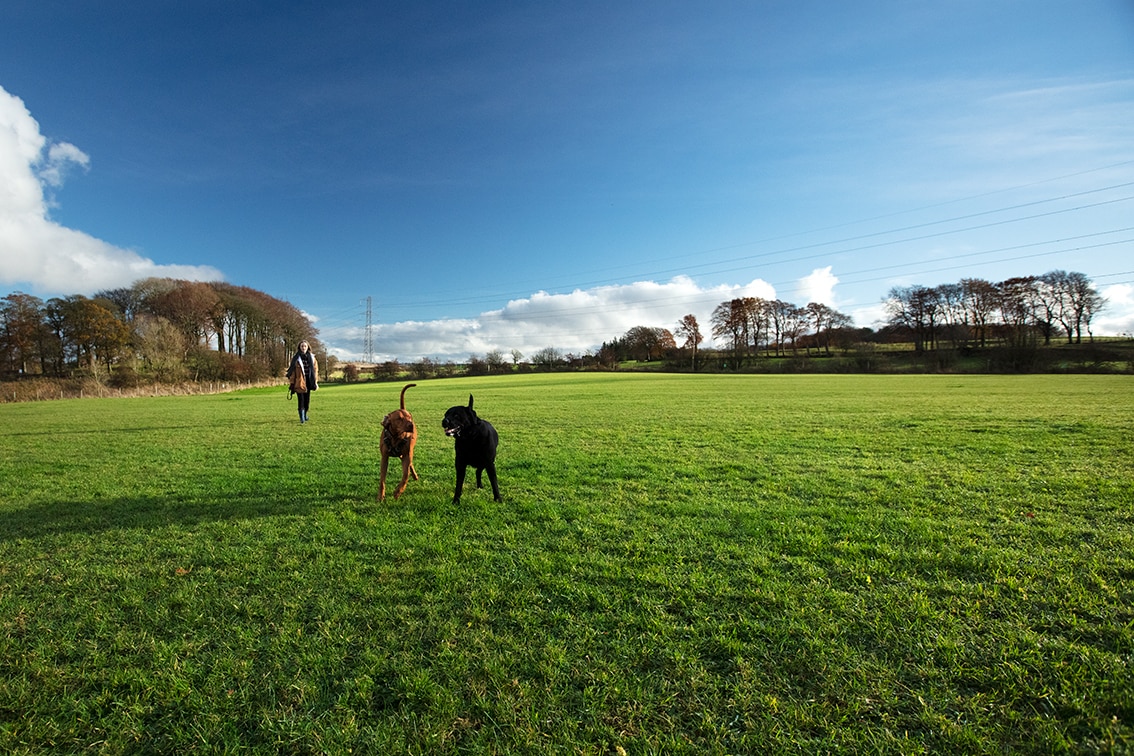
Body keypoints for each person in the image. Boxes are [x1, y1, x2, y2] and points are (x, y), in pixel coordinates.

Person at [286, 341, 318, 423]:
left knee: (307, 401)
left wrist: (315, 382)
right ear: (299, 347)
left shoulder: (312, 358)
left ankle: (305, 414)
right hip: (299, 382)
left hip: (309, 382)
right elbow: (292, 373)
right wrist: (292, 383)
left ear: (308, 347)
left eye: (305, 346)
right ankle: (302, 418)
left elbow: (315, 371)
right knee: (301, 400)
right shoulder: (296, 359)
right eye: (302, 346)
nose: (303, 348)